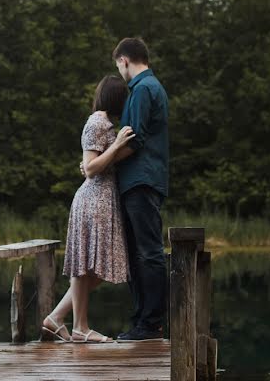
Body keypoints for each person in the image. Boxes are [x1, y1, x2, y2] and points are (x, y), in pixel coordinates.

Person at [83, 37, 169, 342]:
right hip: (139, 181)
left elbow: (134, 140)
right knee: (137, 253)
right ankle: (143, 321)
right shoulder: (147, 88)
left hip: (141, 180)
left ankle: (151, 323)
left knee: (147, 252)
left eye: (117, 66)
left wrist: (99, 164)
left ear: (123, 61)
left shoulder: (144, 89)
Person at [41, 75, 136, 343]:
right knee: (86, 267)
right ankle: (79, 327)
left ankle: (57, 319)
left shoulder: (105, 124)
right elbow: (92, 169)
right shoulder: (97, 121)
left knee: (97, 269)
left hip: (102, 201)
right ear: (116, 98)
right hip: (93, 202)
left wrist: (120, 149)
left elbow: (97, 162)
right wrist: (117, 144)